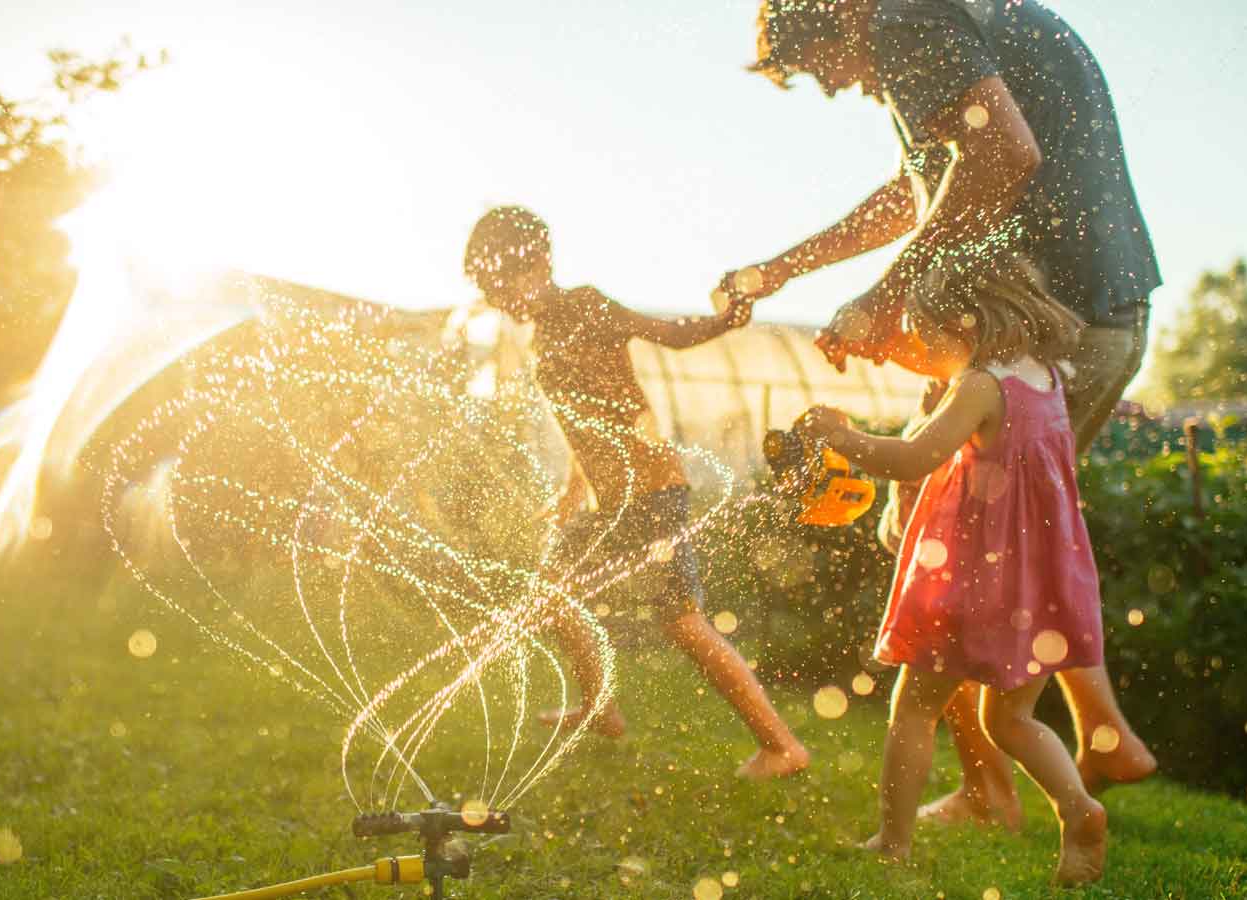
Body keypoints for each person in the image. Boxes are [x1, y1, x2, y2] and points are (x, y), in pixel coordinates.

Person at [721, 0, 1157, 824]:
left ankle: (997, 783)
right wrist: (786, 268)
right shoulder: (955, 21)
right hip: (1091, 317)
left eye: (820, 64)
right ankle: (1097, 734)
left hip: (1040, 321)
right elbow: (921, 192)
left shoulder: (903, 17)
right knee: (1016, 539)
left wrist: (881, 299)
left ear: (838, 16)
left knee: (935, 549)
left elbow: (1002, 154)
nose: (834, 87)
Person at [463, 206, 810, 780]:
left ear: (540, 263)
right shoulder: (543, 332)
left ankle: (781, 746)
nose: (502, 299)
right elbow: (590, 417)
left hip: (651, 492)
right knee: (551, 593)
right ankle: (601, 709)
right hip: (611, 502)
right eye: (491, 289)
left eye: (506, 283)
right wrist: (575, 490)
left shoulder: (585, 304)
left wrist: (726, 320)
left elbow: (671, 336)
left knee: (682, 623)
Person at [794, 253, 1108, 884]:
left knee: (913, 707)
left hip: (976, 583)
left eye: (924, 331)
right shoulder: (1045, 378)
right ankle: (1079, 809)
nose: (920, 345)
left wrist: (841, 435)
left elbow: (914, 458)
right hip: (1040, 587)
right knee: (1011, 718)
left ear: (962, 325)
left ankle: (892, 841)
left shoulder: (981, 386)